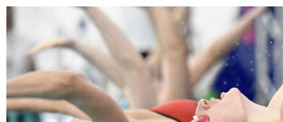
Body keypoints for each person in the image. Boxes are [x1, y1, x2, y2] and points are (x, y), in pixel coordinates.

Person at [28, 7, 268, 108]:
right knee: (172, 56)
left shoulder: (142, 87)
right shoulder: (142, 85)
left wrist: (74, 45)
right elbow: (175, 51)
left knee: (173, 56)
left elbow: (203, 51)